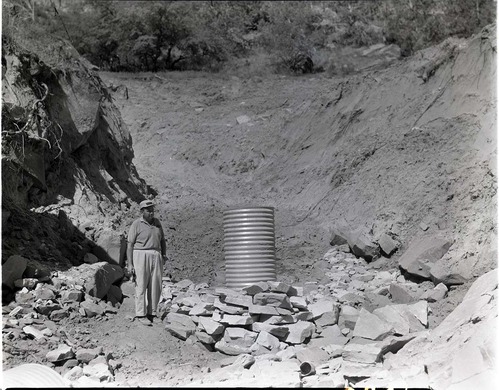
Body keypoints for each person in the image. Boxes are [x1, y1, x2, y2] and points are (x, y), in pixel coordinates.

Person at [127, 199, 167, 326]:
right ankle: (141, 314)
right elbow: (130, 245)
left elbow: (163, 240)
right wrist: (130, 264)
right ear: (142, 211)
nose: (151, 212)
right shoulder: (136, 224)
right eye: (148, 210)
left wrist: (164, 254)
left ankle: (152, 313)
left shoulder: (157, 223)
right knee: (141, 284)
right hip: (140, 254)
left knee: (155, 285)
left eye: (152, 210)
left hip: (156, 254)